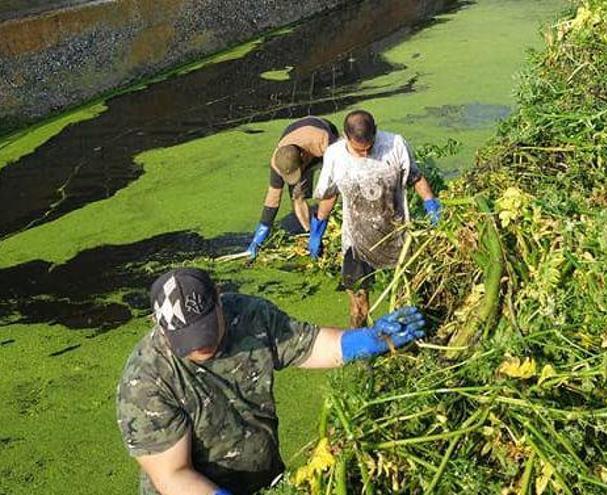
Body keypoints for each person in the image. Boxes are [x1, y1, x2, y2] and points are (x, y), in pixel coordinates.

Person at [116, 267, 425, 495]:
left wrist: (367, 340)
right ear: (162, 329)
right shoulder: (146, 380)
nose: (200, 346)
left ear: (219, 300)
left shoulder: (250, 316)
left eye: (206, 330)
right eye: (187, 340)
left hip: (267, 482)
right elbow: (173, 475)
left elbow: (311, 345)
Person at [309, 110, 441, 327]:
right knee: (358, 304)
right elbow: (329, 194)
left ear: (376, 132)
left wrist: (430, 203)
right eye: (358, 150)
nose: (365, 154)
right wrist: (318, 228)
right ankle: (361, 348)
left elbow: (415, 177)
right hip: (356, 241)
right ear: (346, 137)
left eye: (369, 147)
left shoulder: (395, 145)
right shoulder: (334, 155)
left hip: (396, 235)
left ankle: (405, 341)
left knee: (404, 297)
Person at [245, 116, 339, 259]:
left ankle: (316, 231)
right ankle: (309, 232)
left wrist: (320, 225)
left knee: (332, 186)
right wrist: (261, 231)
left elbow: (332, 188)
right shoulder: (278, 161)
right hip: (295, 152)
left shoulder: (324, 142)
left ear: (303, 156)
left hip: (319, 142)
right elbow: (273, 197)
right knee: (297, 195)